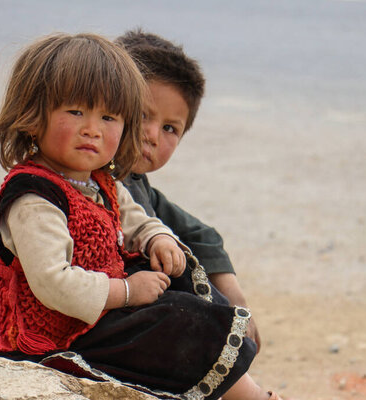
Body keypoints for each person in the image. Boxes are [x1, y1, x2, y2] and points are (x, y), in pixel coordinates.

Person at [0, 32, 283, 399]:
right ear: (32, 115)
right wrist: (127, 292)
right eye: (76, 111)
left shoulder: (100, 181)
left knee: (184, 298)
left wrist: (157, 238)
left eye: (108, 117)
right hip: (60, 336)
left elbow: (138, 218)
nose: (92, 129)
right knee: (175, 321)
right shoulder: (34, 198)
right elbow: (55, 285)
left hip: (98, 318)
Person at [115, 29, 261, 350]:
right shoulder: (95, 182)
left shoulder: (138, 185)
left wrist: (236, 300)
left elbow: (200, 235)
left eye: (170, 128)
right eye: (142, 115)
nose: (152, 135)